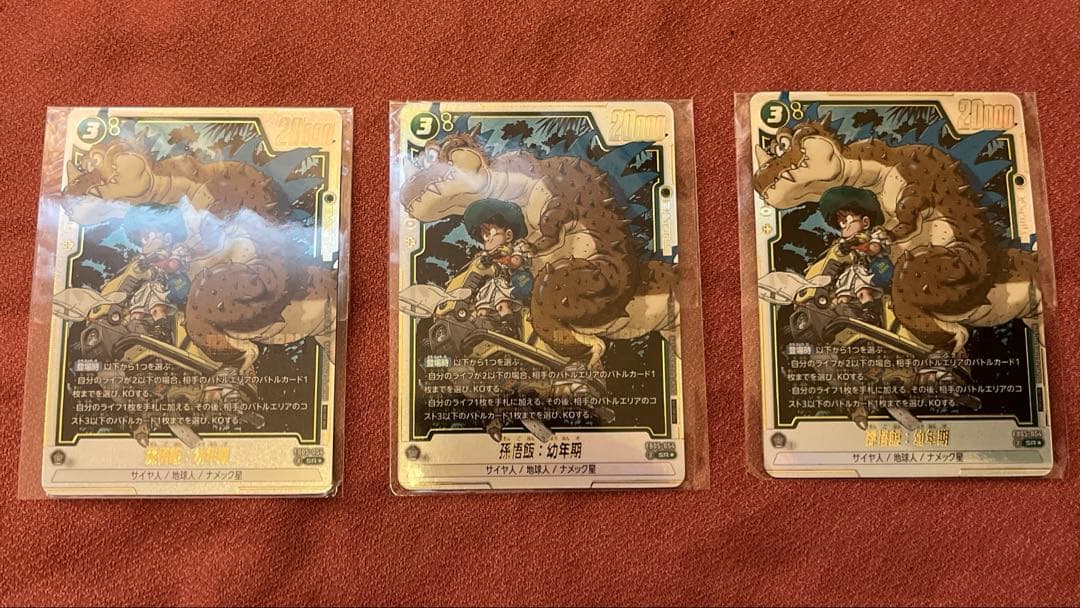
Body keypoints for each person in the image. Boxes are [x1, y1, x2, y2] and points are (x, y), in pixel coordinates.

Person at [452, 198, 533, 336]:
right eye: (484, 236)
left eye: (490, 233)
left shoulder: (515, 248)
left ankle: (509, 327)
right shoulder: (487, 254)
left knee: (502, 303)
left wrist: (507, 260)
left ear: (508, 235)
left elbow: (517, 261)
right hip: (494, 284)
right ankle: (481, 325)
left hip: (512, 283)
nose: (487, 239)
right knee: (482, 307)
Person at [811, 186, 891, 321]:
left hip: (873, 270)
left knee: (862, 290)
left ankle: (872, 315)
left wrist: (863, 246)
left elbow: (875, 248)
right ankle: (844, 313)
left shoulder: (873, 235)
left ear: (865, 222)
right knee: (842, 296)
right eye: (841, 223)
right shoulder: (842, 242)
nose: (845, 227)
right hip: (852, 272)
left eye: (847, 220)